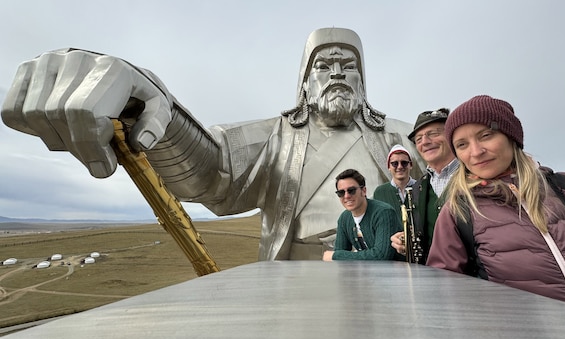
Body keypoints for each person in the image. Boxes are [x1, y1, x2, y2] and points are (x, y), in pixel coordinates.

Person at [1, 27, 423, 261]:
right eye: (324, 65)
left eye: (347, 65)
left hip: (385, 272)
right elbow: (213, 171)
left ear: (362, 79)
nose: (336, 73)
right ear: (305, 82)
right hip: (295, 273)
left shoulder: (404, 138)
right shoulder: (277, 137)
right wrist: (147, 104)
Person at [425, 95, 565, 318]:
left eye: (486, 135)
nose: (475, 152)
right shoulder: (459, 212)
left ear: (511, 136)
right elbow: (445, 297)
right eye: (462, 145)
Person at [390, 108, 458, 264]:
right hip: (431, 280)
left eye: (433, 134)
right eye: (418, 139)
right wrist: (404, 241)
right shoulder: (417, 189)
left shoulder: (475, 178)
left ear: (452, 135)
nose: (425, 142)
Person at [322, 169, 402, 261]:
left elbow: (381, 256)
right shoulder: (344, 218)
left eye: (351, 190)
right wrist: (338, 255)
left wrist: (336, 255)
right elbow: (340, 258)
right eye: (341, 193)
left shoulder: (384, 213)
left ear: (363, 191)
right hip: (367, 273)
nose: (346, 196)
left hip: (398, 272)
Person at [373, 144, 416, 210]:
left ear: (410, 165)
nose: (400, 167)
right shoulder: (380, 192)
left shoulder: (422, 188)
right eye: (395, 163)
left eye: (404, 163)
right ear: (389, 167)